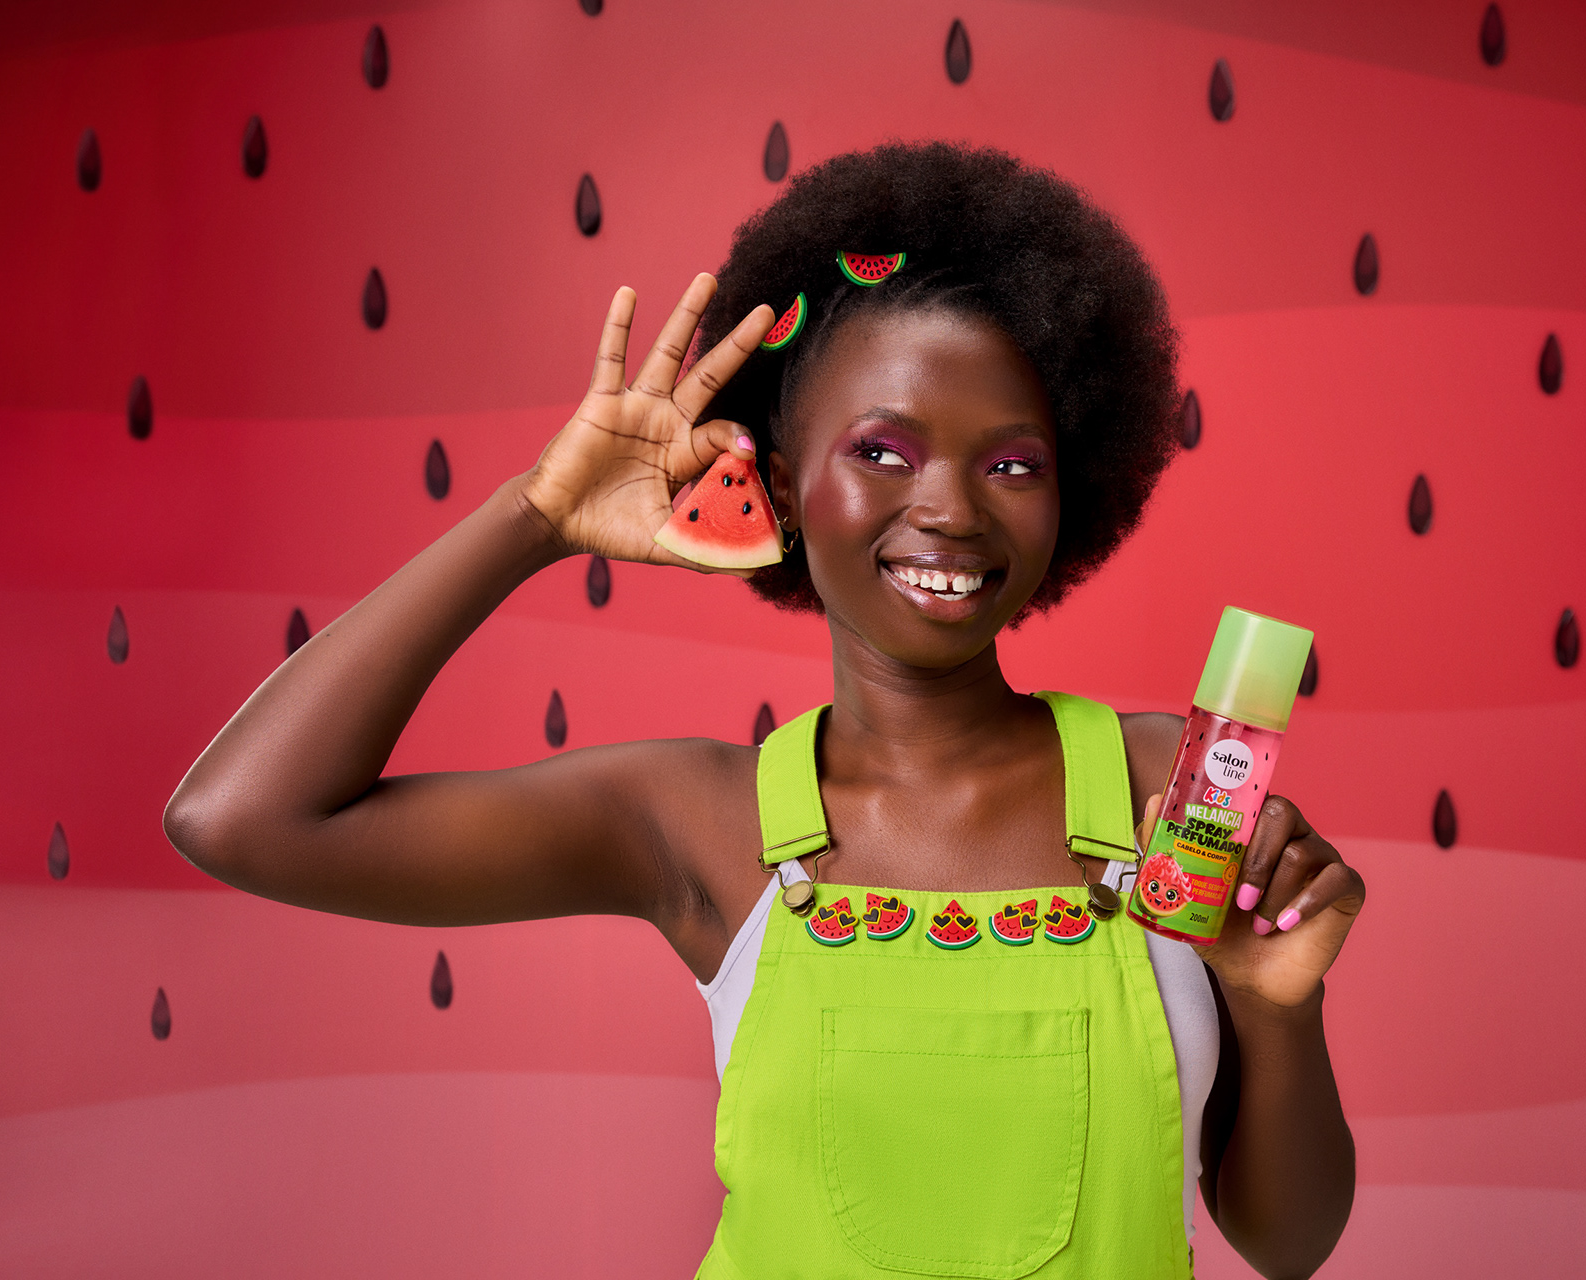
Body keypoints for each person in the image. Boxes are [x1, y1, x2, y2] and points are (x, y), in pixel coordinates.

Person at [165, 140, 1365, 1279]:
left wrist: (1281, 1008)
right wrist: (535, 516)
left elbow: (1288, 1244)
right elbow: (244, 817)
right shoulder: (698, 819)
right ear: (780, 487)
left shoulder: (1176, 795)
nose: (951, 509)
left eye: (1012, 464)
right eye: (883, 451)